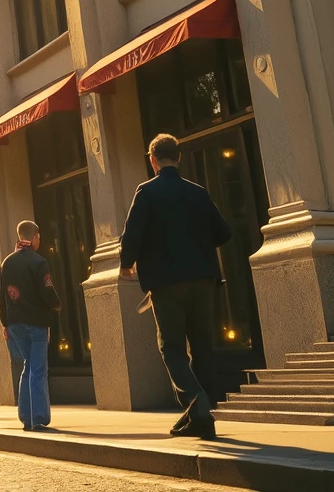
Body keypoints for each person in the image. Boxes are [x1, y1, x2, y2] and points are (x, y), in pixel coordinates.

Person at [121, 132, 235, 441]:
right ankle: (202, 418)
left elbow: (132, 235)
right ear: (180, 158)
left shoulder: (146, 192)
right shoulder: (198, 193)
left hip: (166, 283)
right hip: (203, 281)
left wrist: (126, 264)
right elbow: (223, 233)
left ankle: (197, 405)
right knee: (202, 347)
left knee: (171, 347)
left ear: (152, 160)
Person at [0, 219, 61, 432]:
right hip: (36, 322)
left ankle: (26, 417)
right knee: (38, 369)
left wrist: (5, 322)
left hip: (15, 323)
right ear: (33, 237)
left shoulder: (6, 262)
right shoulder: (38, 262)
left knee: (28, 367)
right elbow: (47, 290)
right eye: (39, 238)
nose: (39, 241)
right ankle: (38, 418)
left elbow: (1, 296)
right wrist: (56, 304)